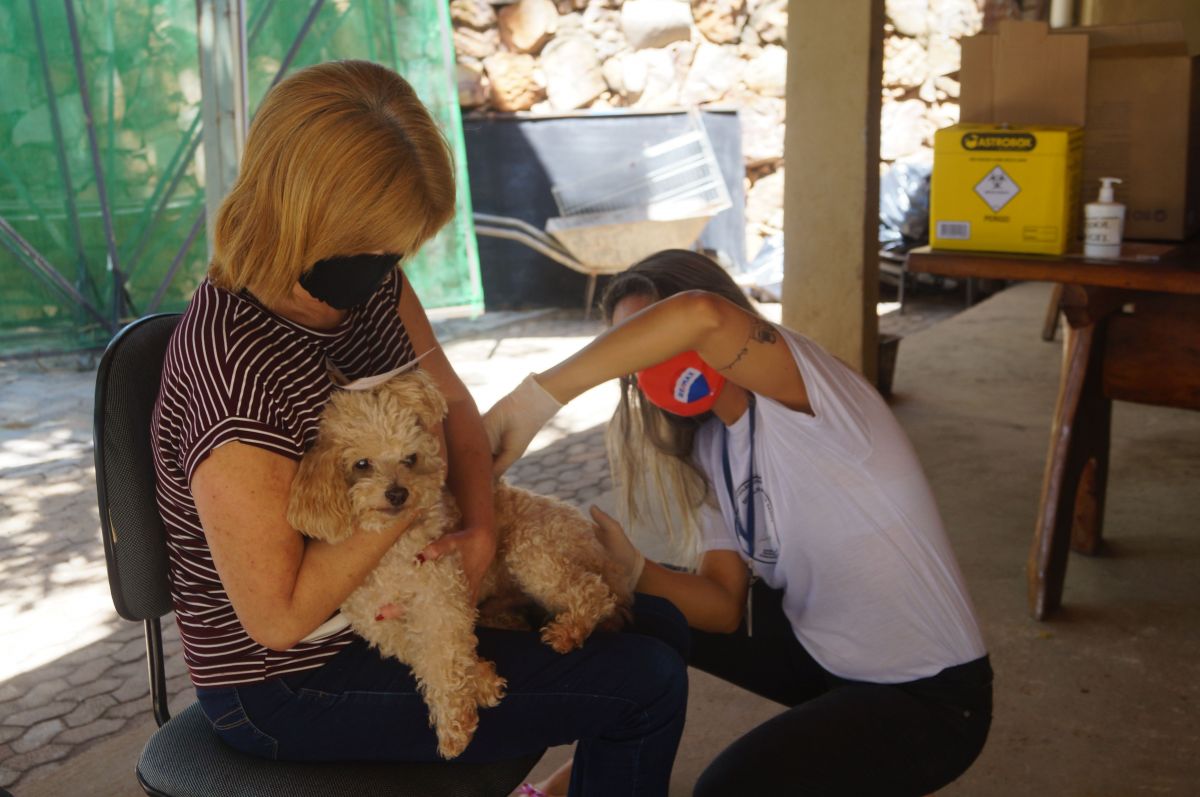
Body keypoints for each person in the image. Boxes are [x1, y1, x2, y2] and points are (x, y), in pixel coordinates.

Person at [151, 60, 688, 795]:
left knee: (656, 626)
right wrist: (414, 491)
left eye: (398, 251)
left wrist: (481, 534)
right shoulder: (235, 371)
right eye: (377, 249)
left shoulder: (364, 279)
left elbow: (455, 408)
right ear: (309, 218)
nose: (389, 270)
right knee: (646, 681)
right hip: (293, 676)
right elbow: (278, 618)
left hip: (413, 580)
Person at [487, 250, 993, 796]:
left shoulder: (809, 392)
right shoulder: (713, 446)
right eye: (632, 356)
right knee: (627, 607)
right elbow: (724, 608)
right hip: (822, 660)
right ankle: (573, 785)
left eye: (648, 338)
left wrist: (534, 400)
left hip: (930, 697)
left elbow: (702, 316)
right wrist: (632, 569)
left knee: (728, 788)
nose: (647, 365)